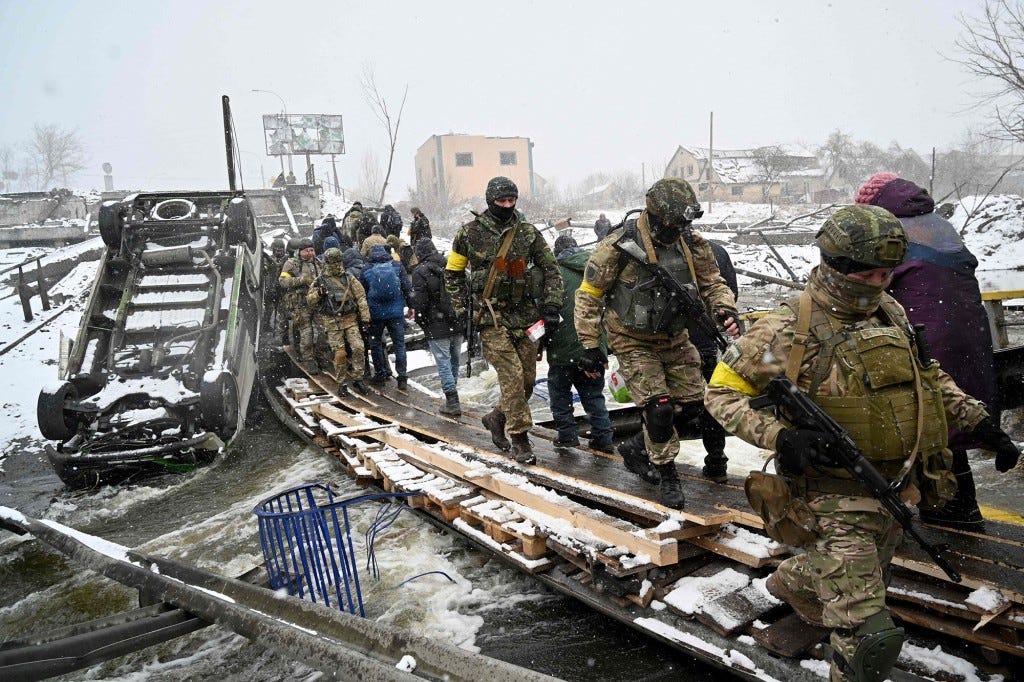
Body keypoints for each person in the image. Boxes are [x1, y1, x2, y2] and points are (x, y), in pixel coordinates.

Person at [703, 205, 1020, 682]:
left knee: (865, 576)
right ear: (837, 266)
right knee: (870, 639)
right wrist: (781, 437)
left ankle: (794, 581)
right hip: (829, 497)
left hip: (896, 489)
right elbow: (720, 394)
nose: (877, 283)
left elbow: (927, 378)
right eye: (867, 274)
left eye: (885, 274)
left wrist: (979, 422)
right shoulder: (784, 329)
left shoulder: (890, 310)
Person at [574, 178, 739, 509]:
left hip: (675, 337)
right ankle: (666, 473)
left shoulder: (692, 244)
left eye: (683, 222)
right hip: (632, 338)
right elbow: (589, 296)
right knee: (659, 407)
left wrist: (725, 309)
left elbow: (713, 284)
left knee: (694, 409)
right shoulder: (618, 246)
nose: (678, 228)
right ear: (655, 215)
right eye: (672, 222)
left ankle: (637, 446)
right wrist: (590, 346)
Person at [856, 173, 1000, 531]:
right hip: (968, 331)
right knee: (951, 419)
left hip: (924, 334)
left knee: (918, 421)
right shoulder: (936, 224)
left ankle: (937, 517)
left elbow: (869, 287)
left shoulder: (890, 231)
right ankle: (961, 512)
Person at [445, 176, 564, 464]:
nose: (507, 205)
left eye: (512, 200)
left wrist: (551, 306)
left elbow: (551, 269)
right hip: (491, 317)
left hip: (525, 317)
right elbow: (453, 274)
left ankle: (497, 417)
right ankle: (520, 438)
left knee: (526, 381)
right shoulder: (468, 234)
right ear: (490, 201)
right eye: (502, 201)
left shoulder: (528, 233)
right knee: (511, 377)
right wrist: (464, 311)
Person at [546, 235, 614, 453]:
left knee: (560, 395)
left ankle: (567, 436)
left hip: (561, 349)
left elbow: (545, 311)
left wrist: (539, 345)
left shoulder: (554, 275)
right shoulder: (596, 270)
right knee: (594, 397)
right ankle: (603, 439)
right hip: (593, 348)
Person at [410, 238, 464, 416]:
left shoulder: (420, 272)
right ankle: (453, 397)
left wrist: (422, 322)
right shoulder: (450, 264)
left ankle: (452, 401)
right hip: (456, 322)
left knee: (443, 363)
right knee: (454, 362)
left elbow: (421, 302)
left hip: (436, 325)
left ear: (419, 254)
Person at [307, 247, 371, 396]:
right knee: (340, 353)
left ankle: (358, 378)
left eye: (337, 262)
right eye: (332, 262)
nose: (335, 265)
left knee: (358, 348)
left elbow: (361, 296)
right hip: (332, 321)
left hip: (350, 319)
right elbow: (309, 300)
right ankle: (341, 383)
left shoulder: (348, 278)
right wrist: (318, 294)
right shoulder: (320, 280)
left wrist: (366, 318)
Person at [362, 243, 411, 390]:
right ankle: (402, 378)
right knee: (399, 344)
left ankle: (380, 375)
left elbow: (362, 294)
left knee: (376, 343)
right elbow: (406, 287)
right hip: (396, 313)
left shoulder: (366, 269)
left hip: (375, 314)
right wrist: (411, 306)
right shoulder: (396, 265)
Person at [278, 237, 322, 372]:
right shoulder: (291, 263)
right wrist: (301, 280)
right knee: (306, 333)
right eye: (307, 251)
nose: (310, 253)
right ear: (300, 251)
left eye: (312, 250)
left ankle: (319, 355)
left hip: (316, 302)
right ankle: (308, 360)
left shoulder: (318, 263)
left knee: (323, 330)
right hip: (300, 303)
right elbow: (283, 281)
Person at [263, 237, 289, 346]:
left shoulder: (287, 260)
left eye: (281, 250)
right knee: (269, 309)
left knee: (282, 312)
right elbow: (265, 270)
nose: (280, 252)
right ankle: (266, 325)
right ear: (274, 250)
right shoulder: (269, 259)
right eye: (278, 250)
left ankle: (281, 333)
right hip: (270, 289)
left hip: (281, 290)